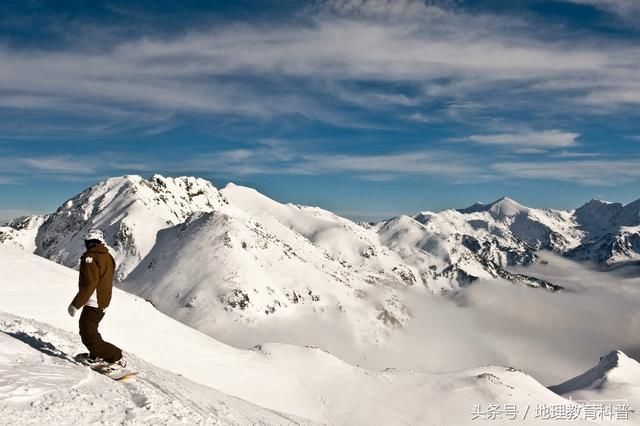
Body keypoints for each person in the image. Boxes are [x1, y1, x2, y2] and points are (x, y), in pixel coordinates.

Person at [67, 229, 125, 368]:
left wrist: (75, 304)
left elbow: (90, 283)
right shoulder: (107, 256)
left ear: (88, 243)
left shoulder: (91, 257)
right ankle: (96, 355)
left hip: (94, 301)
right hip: (103, 300)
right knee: (90, 330)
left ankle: (115, 357)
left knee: (88, 334)